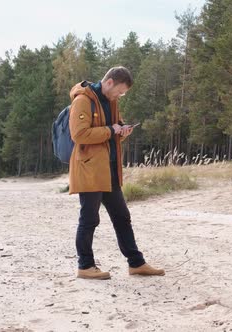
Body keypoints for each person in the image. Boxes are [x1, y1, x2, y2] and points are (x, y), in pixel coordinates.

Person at [67, 66, 165, 280]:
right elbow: (79, 134)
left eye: (122, 94)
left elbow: (110, 132)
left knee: (122, 217)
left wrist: (122, 131)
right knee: (89, 219)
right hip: (90, 169)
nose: (119, 96)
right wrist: (112, 130)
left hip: (109, 170)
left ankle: (136, 263)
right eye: (119, 92)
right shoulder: (82, 100)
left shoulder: (111, 102)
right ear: (109, 82)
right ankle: (85, 266)